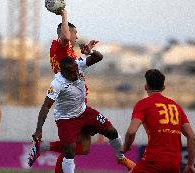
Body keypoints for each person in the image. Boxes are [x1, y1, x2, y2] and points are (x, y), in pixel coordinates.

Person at [28, 9, 135, 172]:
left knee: (85, 148)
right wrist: (63, 13)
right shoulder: (61, 50)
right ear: (66, 33)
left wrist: (89, 52)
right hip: (67, 114)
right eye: (74, 33)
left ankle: (43, 147)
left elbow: (97, 58)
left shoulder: (71, 57)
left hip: (82, 107)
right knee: (69, 149)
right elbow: (64, 37)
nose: (76, 37)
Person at [123, 69, 195, 173]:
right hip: (174, 164)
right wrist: (190, 164)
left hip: (153, 161)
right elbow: (192, 137)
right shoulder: (176, 107)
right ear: (163, 87)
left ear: (145, 87)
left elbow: (131, 132)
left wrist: (126, 147)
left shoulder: (143, 104)